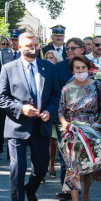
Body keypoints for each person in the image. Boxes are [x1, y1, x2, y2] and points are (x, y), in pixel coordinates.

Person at [0, 32, 60, 201]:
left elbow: (56, 94)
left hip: (41, 126)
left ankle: (30, 190)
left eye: (35, 45)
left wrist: (49, 110)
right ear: (19, 46)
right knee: (17, 168)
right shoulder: (8, 68)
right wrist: (21, 108)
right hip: (17, 126)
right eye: (29, 45)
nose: (33, 48)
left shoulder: (48, 67)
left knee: (41, 168)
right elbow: (1, 97)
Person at [58, 55, 101, 201]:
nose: (80, 71)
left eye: (83, 68)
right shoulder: (67, 88)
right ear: (72, 70)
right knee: (72, 168)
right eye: (77, 68)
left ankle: (86, 192)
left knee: (89, 166)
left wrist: (95, 127)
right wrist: (66, 125)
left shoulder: (97, 86)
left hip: (93, 129)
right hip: (72, 131)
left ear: (88, 68)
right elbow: (61, 111)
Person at [53, 38, 87, 201]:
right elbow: (54, 91)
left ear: (82, 49)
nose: (69, 51)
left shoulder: (90, 67)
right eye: (67, 49)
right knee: (66, 154)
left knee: (84, 156)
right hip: (65, 119)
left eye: (73, 48)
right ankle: (67, 188)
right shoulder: (59, 67)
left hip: (88, 120)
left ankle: (84, 189)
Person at [0, 30, 22, 160]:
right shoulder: (2, 53)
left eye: (16, 40)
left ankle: (10, 151)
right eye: (12, 40)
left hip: (18, 95)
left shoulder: (24, 54)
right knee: (0, 122)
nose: (13, 43)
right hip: (4, 94)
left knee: (14, 123)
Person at [43, 50, 63, 181]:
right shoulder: (42, 71)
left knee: (53, 141)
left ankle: (51, 165)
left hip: (58, 110)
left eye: (52, 58)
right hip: (45, 110)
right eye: (47, 57)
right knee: (44, 140)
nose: (49, 59)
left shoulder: (61, 71)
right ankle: (41, 169)